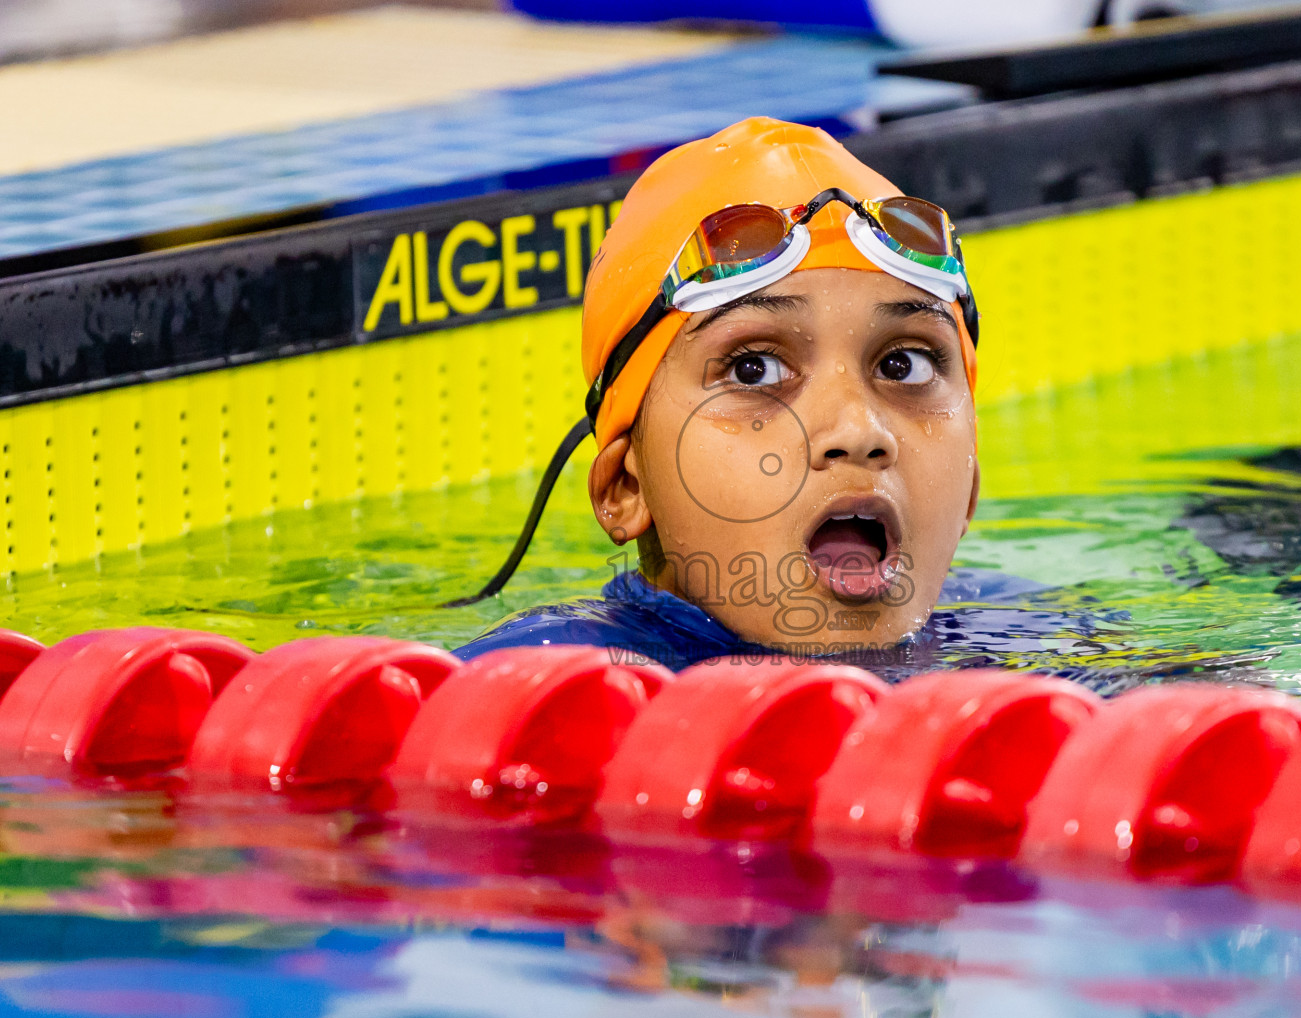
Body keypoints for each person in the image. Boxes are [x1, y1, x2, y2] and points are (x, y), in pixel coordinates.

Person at [455, 117, 1089, 674]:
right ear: (628, 487)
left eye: (904, 364)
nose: (859, 430)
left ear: (972, 478)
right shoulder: (552, 689)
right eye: (754, 369)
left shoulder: (1044, 644)